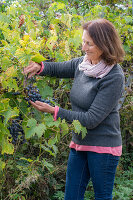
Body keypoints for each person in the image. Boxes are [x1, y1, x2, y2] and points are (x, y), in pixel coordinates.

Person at [24, 18, 125, 200]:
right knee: (71, 196)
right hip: (80, 142)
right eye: (83, 42)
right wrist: (40, 67)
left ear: (104, 44)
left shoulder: (114, 76)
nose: (83, 48)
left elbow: (91, 120)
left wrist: (54, 111)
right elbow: (60, 68)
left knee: (102, 196)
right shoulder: (84, 63)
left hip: (104, 147)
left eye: (89, 44)